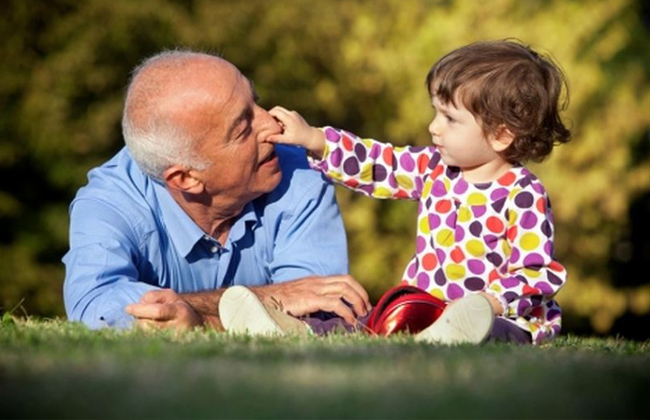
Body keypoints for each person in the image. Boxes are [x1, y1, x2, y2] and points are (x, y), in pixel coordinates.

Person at [223, 40, 571, 345]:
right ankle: (285, 328)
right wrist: (315, 140)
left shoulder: (523, 194)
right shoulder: (435, 169)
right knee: (363, 322)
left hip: (502, 318)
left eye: (450, 119)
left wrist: (488, 304)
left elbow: (536, 274)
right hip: (423, 309)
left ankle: (458, 334)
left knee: (493, 333)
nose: (433, 127)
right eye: (436, 112)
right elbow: (378, 164)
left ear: (501, 135)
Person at [62, 50, 371, 331]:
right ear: (185, 178)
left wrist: (198, 318)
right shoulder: (110, 202)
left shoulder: (300, 171)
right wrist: (266, 299)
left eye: (256, 101)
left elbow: (321, 315)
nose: (274, 125)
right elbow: (96, 308)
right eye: (243, 128)